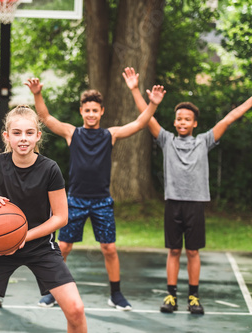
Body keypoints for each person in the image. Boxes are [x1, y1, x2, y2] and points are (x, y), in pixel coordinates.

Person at [122, 67, 252, 315]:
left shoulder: (204, 141)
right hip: (173, 203)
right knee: (174, 250)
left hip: (195, 204)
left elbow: (228, 118)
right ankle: (171, 296)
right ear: (174, 122)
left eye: (187, 119)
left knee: (192, 251)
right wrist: (136, 90)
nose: (182, 122)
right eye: (179, 118)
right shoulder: (166, 140)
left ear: (195, 123)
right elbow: (147, 118)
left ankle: (193, 296)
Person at [26, 78, 166, 310]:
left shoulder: (110, 135)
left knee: (109, 248)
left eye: (95, 110)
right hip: (75, 201)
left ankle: (116, 294)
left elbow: (141, 123)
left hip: (102, 201)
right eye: (87, 110)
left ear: (102, 112)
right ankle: (53, 291)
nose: (91, 114)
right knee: (64, 247)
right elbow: (46, 118)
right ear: (81, 111)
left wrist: (153, 104)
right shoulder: (73, 133)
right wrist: (37, 94)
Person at [0, 105, 87, 333]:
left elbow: (61, 217)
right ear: (6, 136)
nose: (23, 138)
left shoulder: (50, 169)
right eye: (16, 133)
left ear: (38, 136)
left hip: (41, 247)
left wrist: (25, 236)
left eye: (28, 133)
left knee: (75, 310)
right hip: (1, 248)